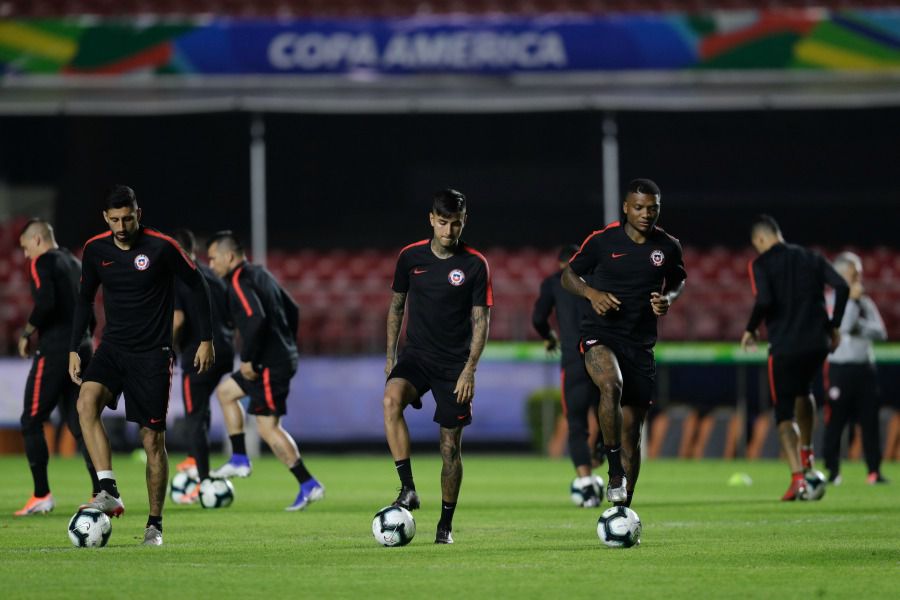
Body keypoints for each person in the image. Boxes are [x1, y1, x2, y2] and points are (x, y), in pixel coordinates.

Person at [69, 186, 215, 546]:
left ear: (139, 213)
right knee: (85, 403)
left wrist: (206, 338)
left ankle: (154, 525)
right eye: (115, 219)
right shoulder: (95, 249)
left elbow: (198, 285)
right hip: (113, 347)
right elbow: (84, 299)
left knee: (151, 439)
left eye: (128, 218)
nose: (121, 225)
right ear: (106, 218)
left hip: (152, 354)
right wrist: (75, 347)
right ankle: (108, 488)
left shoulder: (161, 247)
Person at [562, 178, 686, 508]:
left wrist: (668, 298)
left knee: (633, 432)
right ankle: (614, 469)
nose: (647, 214)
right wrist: (592, 293)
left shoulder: (669, 246)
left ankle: (622, 510)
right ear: (626, 207)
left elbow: (678, 279)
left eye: (653, 208)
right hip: (600, 334)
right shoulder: (602, 241)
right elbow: (568, 275)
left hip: (640, 345)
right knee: (610, 384)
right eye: (640, 207)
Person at [384, 188, 492, 544]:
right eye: (443, 223)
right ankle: (408, 488)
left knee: (449, 448)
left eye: (455, 224)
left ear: (464, 223)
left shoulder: (475, 264)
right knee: (390, 400)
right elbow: (397, 308)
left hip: (453, 366)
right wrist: (390, 357)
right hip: (416, 356)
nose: (448, 231)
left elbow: (481, 322)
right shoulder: (409, 257)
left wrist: (470, 369)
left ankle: (445, 523)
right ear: (431, 219)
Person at [206, 231, 324, 511]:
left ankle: (309, 484)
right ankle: (239, 459)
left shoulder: (237, 281)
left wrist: (249, 358)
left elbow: (255, 319)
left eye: (212, 259)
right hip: (274, 358)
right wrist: (286, 344)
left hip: (268, 363)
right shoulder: (261, 274)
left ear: (228, 256)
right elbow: (292, 308)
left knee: (268, 428)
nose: (210, 265)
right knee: (225, 393)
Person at [741, 215, 848, 501]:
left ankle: (798, 479)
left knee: (783, 414)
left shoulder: (761, 264)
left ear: (760, 240)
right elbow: (842, 286)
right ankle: (808, 454)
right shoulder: (811, 257)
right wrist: (833, 325)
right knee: (805, 391)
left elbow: (764, 300)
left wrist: (751, 329)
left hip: (785, 347)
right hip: (817, 343)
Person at [14, 219, 99, 516]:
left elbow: (46, 302)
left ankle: (41, 495)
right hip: (83, 347)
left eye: (26, 248)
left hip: (55, 351)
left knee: (31, 419)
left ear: (37, 240)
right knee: (81, 423)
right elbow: (89, 310)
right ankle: (102, 492)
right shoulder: (75, 263)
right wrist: (86, 340)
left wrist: (27, 333)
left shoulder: (43, 263)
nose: (26, 256)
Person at [533, 244, 603, 507]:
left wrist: (549, 337)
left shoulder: (552, 283)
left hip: (573, 362)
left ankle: (586, 486)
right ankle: (602, 452)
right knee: (609, 414)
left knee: (576, 424)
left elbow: (538, 318)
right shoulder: (596, 281)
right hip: (600, 357)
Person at [170, 229, 236, 501]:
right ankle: (194, 460)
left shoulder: (178, 276)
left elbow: (177, 320)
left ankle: (203, 479)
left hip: (198, 353)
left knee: (194, 415)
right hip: (225, 350)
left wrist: (166, 347)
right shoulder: (213, 276)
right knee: (202, 408)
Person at [823, 252, 888, 485]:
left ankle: (874, 472)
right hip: (840, 369)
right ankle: (832, 472)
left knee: (870, 422)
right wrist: (850, 301)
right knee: (835, 423)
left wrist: (860, 325)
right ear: (841, 275)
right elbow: (844, 325)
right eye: (854, 274)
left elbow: (881, 332)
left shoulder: (865, 302)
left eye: (859, 274)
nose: (858, 279)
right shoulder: (830, 300)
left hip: (865, 369)